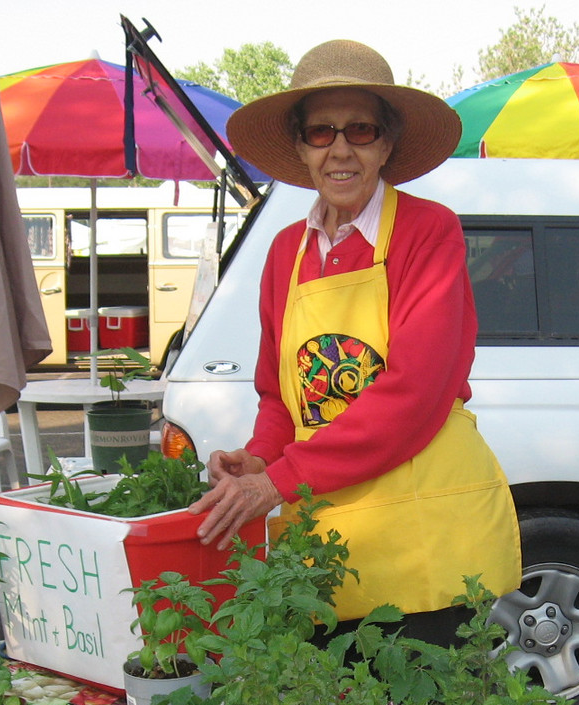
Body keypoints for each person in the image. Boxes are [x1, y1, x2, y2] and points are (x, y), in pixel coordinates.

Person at [191, 40, 520, 644]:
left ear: (386, 144)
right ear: (299, 147)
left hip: (427, 539)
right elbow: (278, 395)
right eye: (321, 133)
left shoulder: (428, 231)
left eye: (360, 130)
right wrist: (259, 456)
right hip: (328, 539)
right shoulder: (285, 250)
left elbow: (412, 394)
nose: (340, 149)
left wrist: (277, 483)